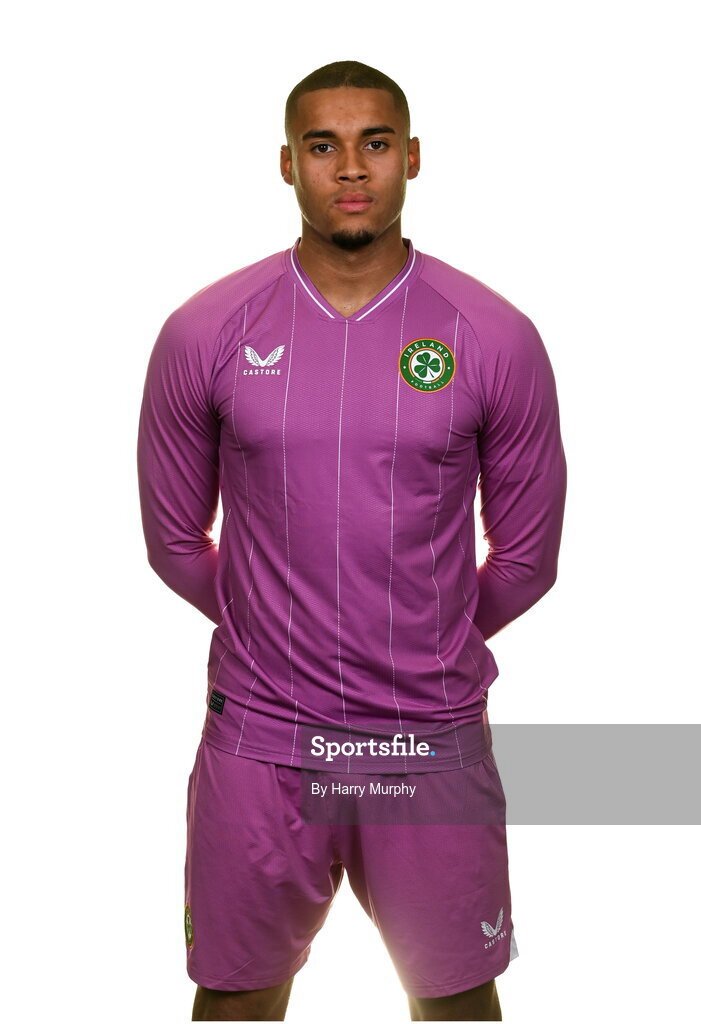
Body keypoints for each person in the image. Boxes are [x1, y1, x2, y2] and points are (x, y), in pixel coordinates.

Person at [137, 60, 567, 1022]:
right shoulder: (204, 331)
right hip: (262, 742)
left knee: (457, 1005)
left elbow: (529, 558)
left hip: (425, 739)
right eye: (322, 146)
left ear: (410, 157)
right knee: (236, 1002)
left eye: (373, 142)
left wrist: (418, 629)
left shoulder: (492, 337)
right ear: (285, 164)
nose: (349, 167)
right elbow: (173, 543)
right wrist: (281, 624)